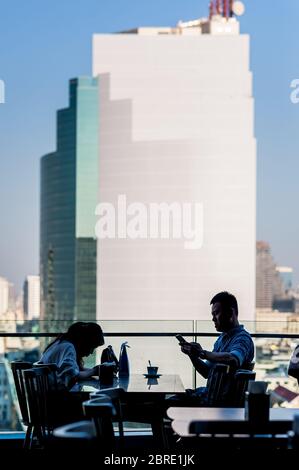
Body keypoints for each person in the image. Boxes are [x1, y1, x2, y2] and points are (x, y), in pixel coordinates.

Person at [179, 291, 254, 405]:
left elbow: (233, 359)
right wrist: (192, 355)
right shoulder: (221, 339)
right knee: (166, 400)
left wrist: (202, 353)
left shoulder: (242, 338)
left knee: (166, 403)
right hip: (209, 396)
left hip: (218, 402)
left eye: (216, 313)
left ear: (230, 313)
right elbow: (206, 372)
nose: (213, 319)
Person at [39, 321, 104, 390]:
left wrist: (96, 370)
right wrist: (93, 371)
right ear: (85, 342)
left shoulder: (61, 344)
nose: (91, 352)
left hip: (47, 393)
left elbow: (75, 370)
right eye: (92, 347)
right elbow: (72, 375)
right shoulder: (68, 347)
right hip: (54, 396)